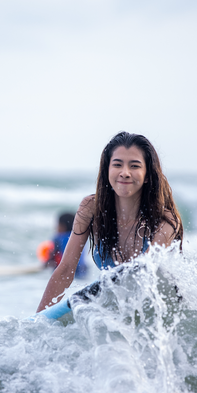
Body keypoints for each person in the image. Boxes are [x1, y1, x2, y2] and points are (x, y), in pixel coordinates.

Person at [36, 131, 183, 313]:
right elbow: (65, 270)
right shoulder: (91, 208)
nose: (125, 173)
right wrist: (39, 321)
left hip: (161, 313)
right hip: (118, 309)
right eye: (117, 164)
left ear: (147, 175)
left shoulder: (165, 220)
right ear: (107, 170)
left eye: (134, 166)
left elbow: (144, 272)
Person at [41, 212, 89, 279]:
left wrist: (45, 264)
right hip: (82, 269)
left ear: (63, 227)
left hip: (66, 271)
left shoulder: (58, 238)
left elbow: (52, 255)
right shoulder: (80, 238)